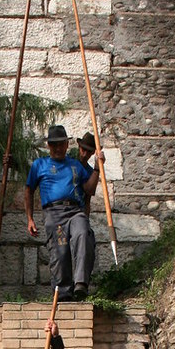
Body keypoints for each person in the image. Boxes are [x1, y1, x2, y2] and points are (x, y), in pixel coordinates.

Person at [25, 125, 104, 302]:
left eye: (61, 144)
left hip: (76, 211)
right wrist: (30, 218)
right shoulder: (40, 165)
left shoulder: (75, 165)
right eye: (54, 145)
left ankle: (81, 284)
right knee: (60, 252)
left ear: (67, 145)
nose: (58, 148)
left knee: (83, 234)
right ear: (49, 147)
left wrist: (98, 168)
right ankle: (63, 294)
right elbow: (29, 190)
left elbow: (89, 190)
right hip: (54, 212)